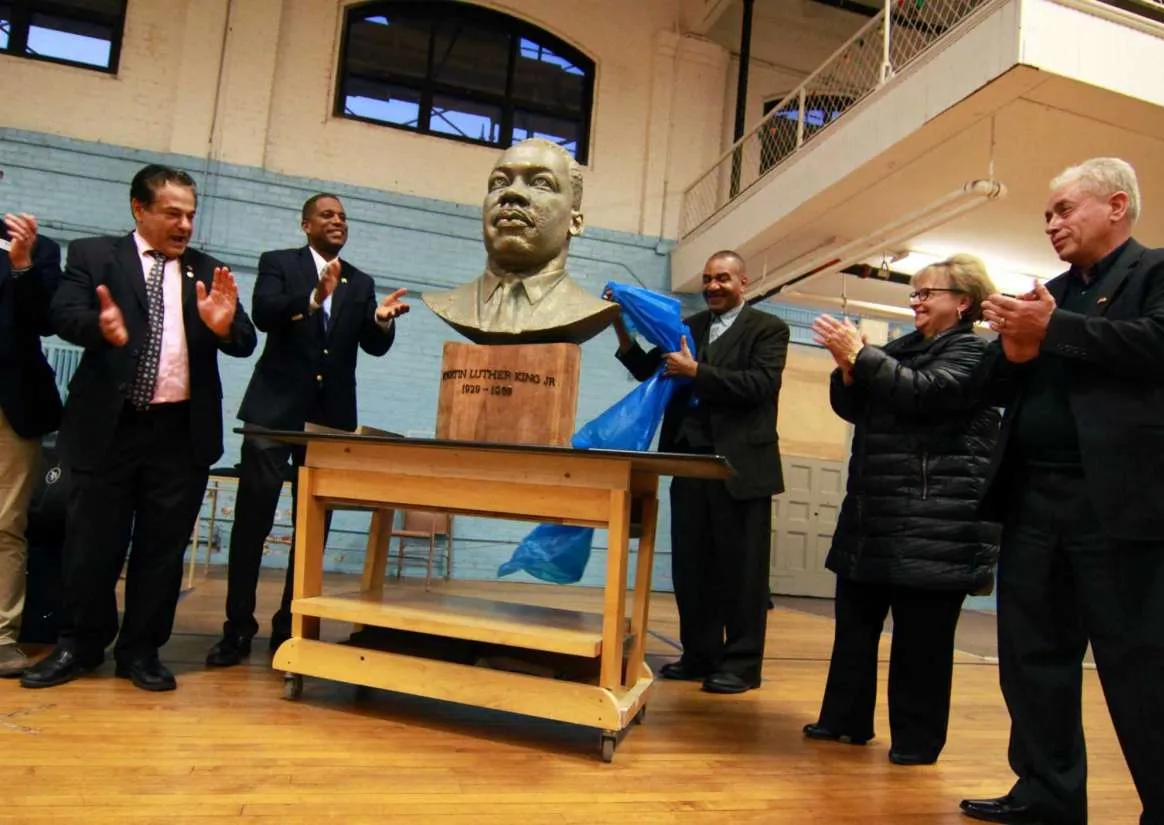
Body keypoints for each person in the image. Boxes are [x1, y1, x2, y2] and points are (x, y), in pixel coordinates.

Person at [959, 158, 1164, 825]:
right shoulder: (1047, 294)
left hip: (1130, 507)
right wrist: (1014, 353)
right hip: (1036, 500)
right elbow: (989, 385)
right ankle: (1047, 794)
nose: (1051, 223)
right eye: (1047, 214)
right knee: (1032, 658)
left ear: (1116, 205)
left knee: (1149, 668)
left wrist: (1052, 330)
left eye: (1064, 209)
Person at [20, 164, 257, 692]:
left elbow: (244, 339)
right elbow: (64, 314)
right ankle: (80, 645)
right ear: (139, 208)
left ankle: (141, 651)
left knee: (162, 550)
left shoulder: (206, 270)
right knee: (91, 547)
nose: (185, 225)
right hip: (108, 427)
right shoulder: (94, 255)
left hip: (180, 433)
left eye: (191, 215)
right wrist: (98, 326)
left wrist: (224, 328)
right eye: (173, 213)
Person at [802, 255, 1000, 765]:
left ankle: (916, 742)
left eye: (927, 293)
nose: (917, 302)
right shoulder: (901, 349)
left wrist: (861, 356)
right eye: (914, 293)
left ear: (963, 301)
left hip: (938, 520)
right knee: (855, 626)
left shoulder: (974, 352)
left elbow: (927, 393)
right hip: (874, 512)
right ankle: (844, 720)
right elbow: (855, 406)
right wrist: (848, 368)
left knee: (922, 642)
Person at [206, 193, 409, 666]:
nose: (338, 221)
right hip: (272, 412)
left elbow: (373, 346)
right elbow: (264, 313)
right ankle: (237, 630)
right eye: (327, 215)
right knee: (252, 524)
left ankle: (289, 629)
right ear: (306, 225)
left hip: (329, 420)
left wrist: (381, 322)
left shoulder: (360, 282)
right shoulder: (279, 263)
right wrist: (315, 297)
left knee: (312, 531)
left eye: (343, 216)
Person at [613, 250, 788, 694]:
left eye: (723, 278)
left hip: (741, 467)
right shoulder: (687, 327)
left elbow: (760, 385)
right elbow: (647, 370)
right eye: (708, 279)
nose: (712, 286)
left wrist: (697, 371)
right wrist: (620, 325)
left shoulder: (769, 329)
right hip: (688, 461)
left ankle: (742, 665)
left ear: (743, 282)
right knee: (692, 566)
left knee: (742, 571)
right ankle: (699, 655)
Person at [423, 138, 618, 345]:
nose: (511, 193)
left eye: (541, 183)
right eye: (499, 182)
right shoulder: (453, 304)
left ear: (574, 222)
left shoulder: (584, 311)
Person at [0, 212, 62, 677]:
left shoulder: (34, 246)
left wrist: (22, 267)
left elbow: (46, 320)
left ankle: (1, 636)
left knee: (6, 523)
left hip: (13, 404)